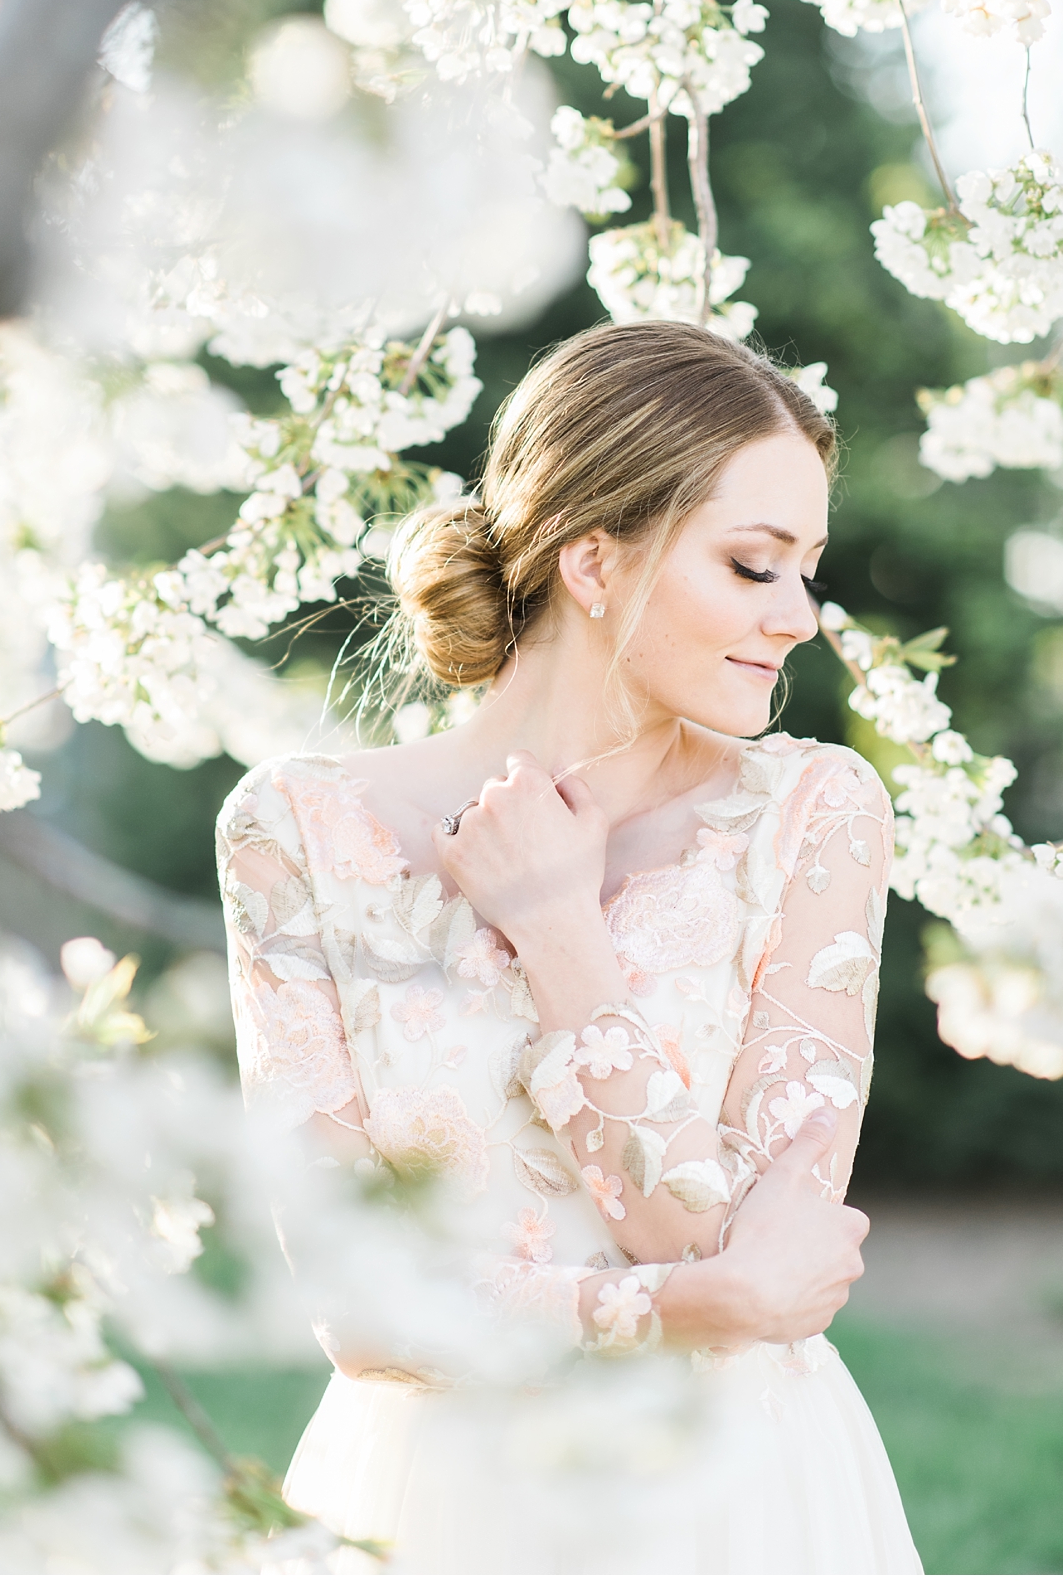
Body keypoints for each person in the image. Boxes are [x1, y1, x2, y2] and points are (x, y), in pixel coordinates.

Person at [217, 320, 921, 1572]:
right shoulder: (295, 828)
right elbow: (354, 1298)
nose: (801, 616)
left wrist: (555, 929)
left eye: (807, 567)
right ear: (595, 561)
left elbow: (734, 1248)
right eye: (755, 567)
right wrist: (681, 1311)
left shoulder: (814, 814)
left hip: (729, 1495)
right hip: (430, 1500)